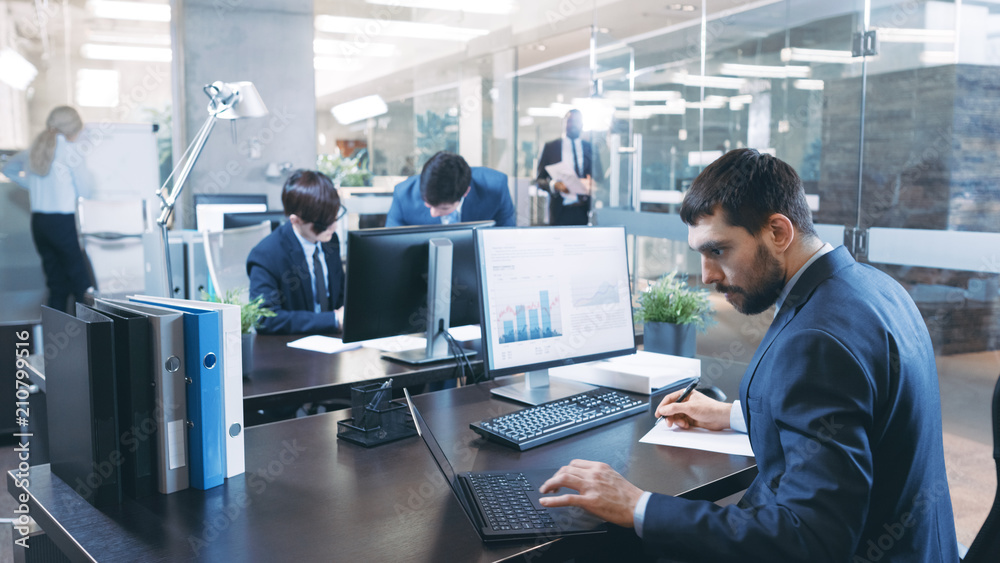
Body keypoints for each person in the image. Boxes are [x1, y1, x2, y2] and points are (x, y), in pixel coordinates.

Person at [538, 148, 959, 562]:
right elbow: (857, 419)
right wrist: (735, 415)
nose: (706, 275)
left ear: (778, 232)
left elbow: (810, 538)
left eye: (717, 251)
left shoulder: (816, 339)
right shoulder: (872, 287)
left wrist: (638, 505)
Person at [3, 106, 95, 313]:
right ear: (74, 128)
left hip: (40, 224)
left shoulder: (34, 150)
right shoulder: (72, 152)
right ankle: (91, 338)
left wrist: (32, 185)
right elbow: (86, 191)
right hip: (62, 222)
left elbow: (7, 168)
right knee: (82, 284)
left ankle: (55, 336)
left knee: (57, 283)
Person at [247, 169, 345, 335]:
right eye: (324, 223)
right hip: (291, 351)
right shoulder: (266, 255)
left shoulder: (330, 240)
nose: (333, 227)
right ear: (295, 220)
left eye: (334, 218)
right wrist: (333, 320)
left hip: (335, 343)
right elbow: (265, 319)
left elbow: (340, 293)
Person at [385, 151, 515, 227]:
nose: (433, 213)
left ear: (466, 192)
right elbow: (390, 247)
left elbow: (506, 241)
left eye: (444, 208)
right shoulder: (403, 195)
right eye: (428, 205)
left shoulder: (495, 188)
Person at [535, 109, 599, 226]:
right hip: (560, 210)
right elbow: (539, 181)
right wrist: (553, 185)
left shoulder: (590, 148)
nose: (573, 124)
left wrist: (592, 184)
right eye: (570, 121)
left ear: (582, 124)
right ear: (564, 123)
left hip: (584, 210)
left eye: (577, 121)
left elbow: (599, 178)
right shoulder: (551, 147)